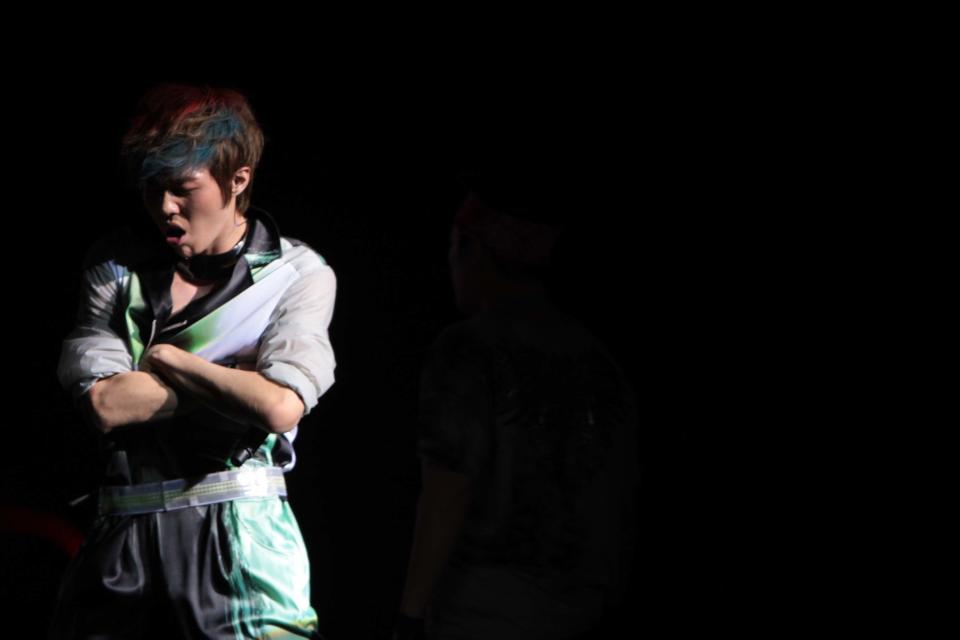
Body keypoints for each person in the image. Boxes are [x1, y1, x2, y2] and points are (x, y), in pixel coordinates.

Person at [49, 83, 336, 639]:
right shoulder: (115, 269)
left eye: (183, 189)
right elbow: (106, 402)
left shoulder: (297, 274)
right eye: (153, 190)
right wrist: (238, 385)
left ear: (239, 180)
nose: (165, 209)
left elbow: (280, 408)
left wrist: (167, 360)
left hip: (242, 545)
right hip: (121, 547)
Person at [394, 174, 639, 640]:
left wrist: (410, 614)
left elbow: (448, 486)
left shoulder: (467, 348)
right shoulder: (598, 358)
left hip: (483, 606)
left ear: (471, 249)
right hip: (583, 608)